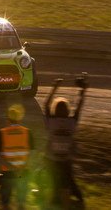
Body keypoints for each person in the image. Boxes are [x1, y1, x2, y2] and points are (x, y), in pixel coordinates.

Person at [43, 74, 89, 207]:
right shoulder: (72, 122)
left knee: (52, 183)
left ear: (54, 109)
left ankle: (51, 203)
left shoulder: (50, 121)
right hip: (66, 158)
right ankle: (70, 201)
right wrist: (83, 90)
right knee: (66, 182)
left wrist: (55, 87)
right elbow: (79, 106)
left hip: (51, 157)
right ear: (67, 110)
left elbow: (46, 104)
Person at [0, 104, 35, 210]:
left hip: (7, 173)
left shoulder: (1, 133)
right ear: (20, 119)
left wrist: (10, 167)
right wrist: (23, 166)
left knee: (5, 203)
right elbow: (33, 153)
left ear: (8, 119)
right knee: (21, 203)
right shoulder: (27, 132)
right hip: (23, 172)